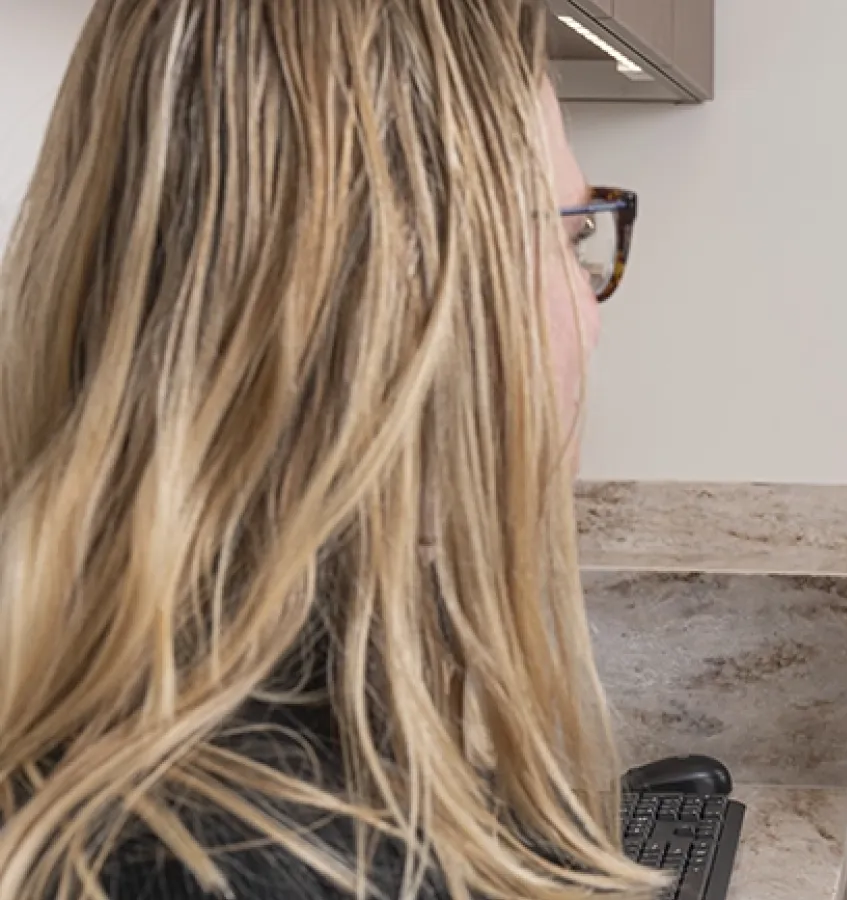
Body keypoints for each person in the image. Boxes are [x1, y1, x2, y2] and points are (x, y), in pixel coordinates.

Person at [0, 2, 650, 898]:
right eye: (569, 239)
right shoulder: (258, 863)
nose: (590, 319)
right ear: (398, 296)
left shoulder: (179, 755)